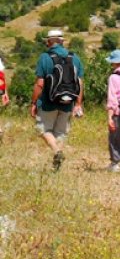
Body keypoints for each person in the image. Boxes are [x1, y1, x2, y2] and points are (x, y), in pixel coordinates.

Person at [30, 28, 84, 171]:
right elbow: (80, 83)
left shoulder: (44, 58)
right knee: (60, 133)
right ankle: (57, 166)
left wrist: (34, 102)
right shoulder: (75, 58)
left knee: (43, 130)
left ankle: (56, 151)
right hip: (67, 103)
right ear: (62, 42)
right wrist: (78, 104)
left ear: (48, 42)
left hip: (48, 103)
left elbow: (40, 83)